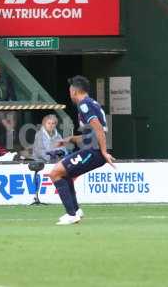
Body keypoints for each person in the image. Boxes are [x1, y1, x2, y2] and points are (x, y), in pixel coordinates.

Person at [48, 76, 115, 225]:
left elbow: (98, 128)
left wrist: (103, 151)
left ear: (74, 90)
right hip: (93, 149)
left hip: (95, 151)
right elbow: (90, 134)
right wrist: (70, 139)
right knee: (64, 174)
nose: (69, 92)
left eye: (70, 90)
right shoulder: (92, 103)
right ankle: (76, 211)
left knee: (55, 173)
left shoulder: (84, 104)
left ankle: (71, 214)